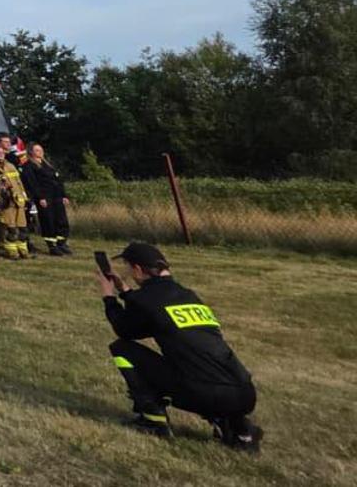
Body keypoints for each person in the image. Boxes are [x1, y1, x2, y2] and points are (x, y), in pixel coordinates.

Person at [99, 242, 261, 449]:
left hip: (206, 393)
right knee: (201, 364)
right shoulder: (188, 295)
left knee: (122, 349)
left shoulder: (147, 299)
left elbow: (125, 330)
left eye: (129, 268)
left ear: (138, 269)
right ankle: (234, 424)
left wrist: (108, 297)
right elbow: (156, 312)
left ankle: (153, 420)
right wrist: (126, 291)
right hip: (244, 392)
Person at [0, 145, 31, 260]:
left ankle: (23, 250)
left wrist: (25, 197)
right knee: (10, 228)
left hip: (18, 201)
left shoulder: (10, 166)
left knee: (22, 227)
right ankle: (12, 252)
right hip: (5, 202)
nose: (0, 154)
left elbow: (19, 183)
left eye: (2, 152)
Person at [25, 144, 73, 255]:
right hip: (45, 198)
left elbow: (58, 181)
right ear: (31, 152)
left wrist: (64, 195)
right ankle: (52, 246)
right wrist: (40, 197)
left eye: (41, 150)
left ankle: (61, 243)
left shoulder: (48, 165)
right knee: (48, 221)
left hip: (56, 197)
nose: (40, 152)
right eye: (37, 150)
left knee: (61, 220)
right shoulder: (29, 166)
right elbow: (33, 184)